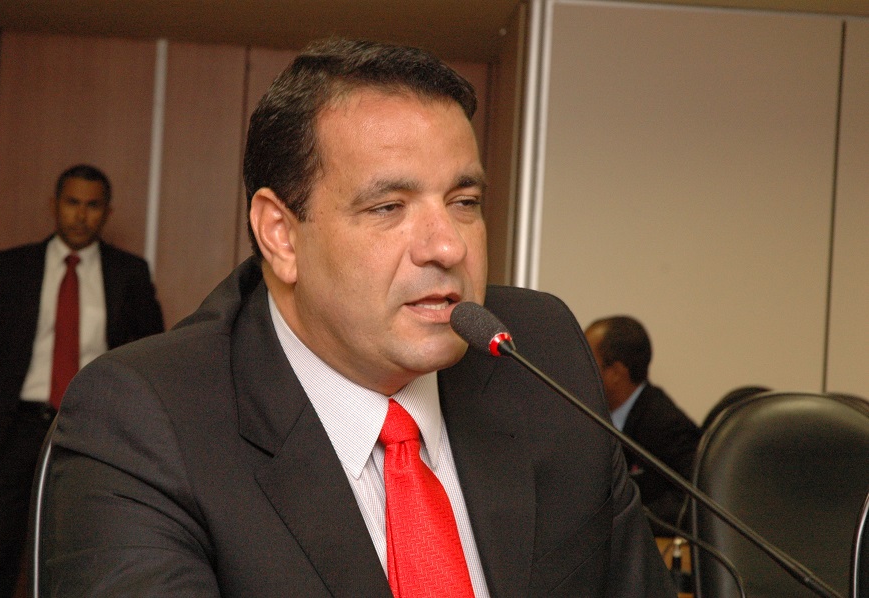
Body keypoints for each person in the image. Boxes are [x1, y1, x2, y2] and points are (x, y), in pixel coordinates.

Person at [43, 39, 674, 596]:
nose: (447, 246)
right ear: (280, 234)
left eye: (464, 201)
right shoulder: (147, 419)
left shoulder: (538, 353)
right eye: (388, 207)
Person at [0, 164, 164, 598]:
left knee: (81, 552)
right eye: (72, 203)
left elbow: (151, 355)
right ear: (54, 205)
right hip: (11, 431)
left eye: (92, 205)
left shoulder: (128, 273)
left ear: (107, 212)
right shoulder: (11, 268)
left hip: (92, 430)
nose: (81, 215)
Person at [584, 316, 702, 536]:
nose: (579, 373)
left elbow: (695, 497)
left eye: (587, 363)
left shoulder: (666, 423)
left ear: (616, 373)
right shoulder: (591, 418)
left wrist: (629, 522)